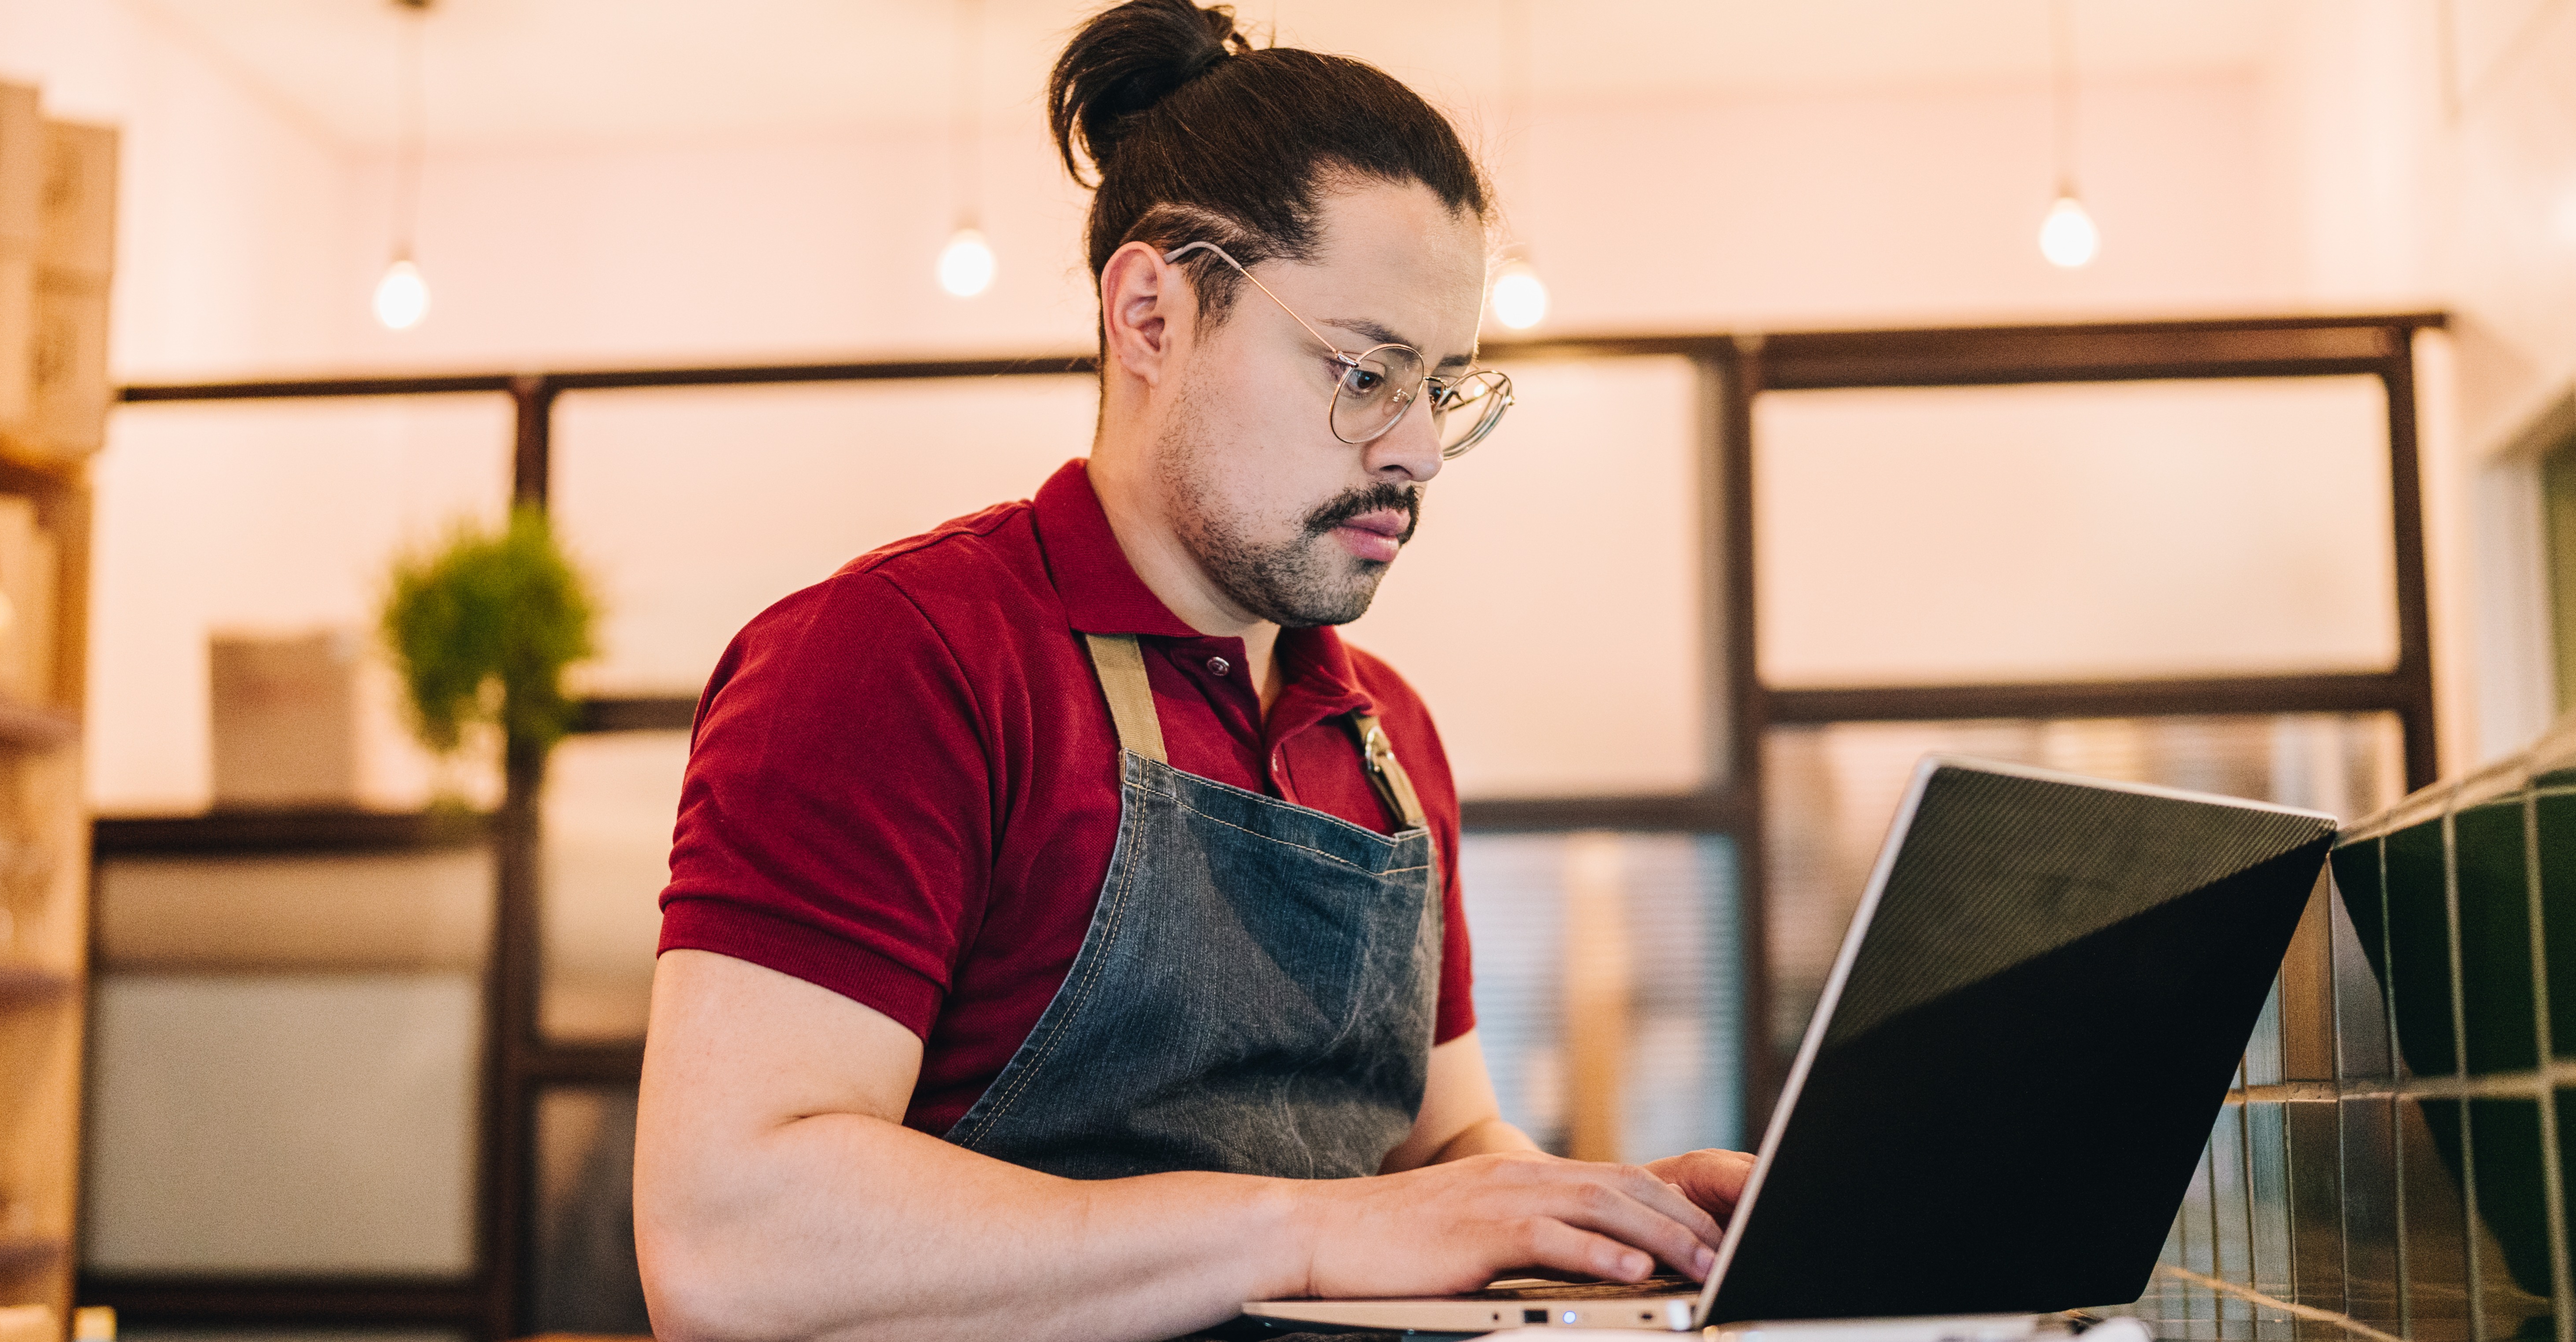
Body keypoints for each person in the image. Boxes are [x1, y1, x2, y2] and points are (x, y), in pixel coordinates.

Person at [633, 3, 1752, 1338]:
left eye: (1441, 385)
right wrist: (1307, 1231)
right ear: (1151, 314)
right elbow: (726, 1243)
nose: (1418, 452)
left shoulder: (1384, 735)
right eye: (1361, 369)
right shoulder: (899, 659)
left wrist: (1603, 1219)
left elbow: (1435, 1156)